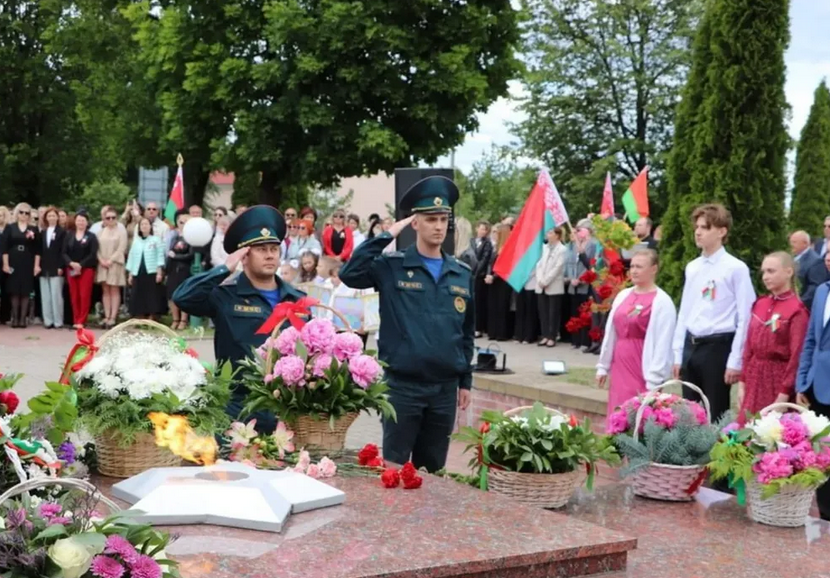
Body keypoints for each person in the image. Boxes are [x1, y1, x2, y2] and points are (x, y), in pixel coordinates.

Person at [340, 176, 474, 473]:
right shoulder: (393, 266)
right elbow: (350, 273)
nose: (438, 226)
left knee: (433, 472)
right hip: (403, 387)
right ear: (415, 223)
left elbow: (465, 332)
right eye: (430, 219)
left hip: (444, 389)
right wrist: (386, 234)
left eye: (443, 219)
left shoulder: (461, 273)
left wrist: (465, 381)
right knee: (394, 469)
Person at [173, 205, 307, 434]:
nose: (269, 255)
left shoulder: (298, 299)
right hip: (236, 409)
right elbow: (182, 297)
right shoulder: (226, 295)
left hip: (285, 410)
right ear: (244, 255)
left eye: (274, 249)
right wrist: (224, 269)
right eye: (261, 249)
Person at [672, 203, 755, 423]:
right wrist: (678, 352)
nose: (698, 232)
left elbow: (745, 317)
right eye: (697, 227)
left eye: (706, 227)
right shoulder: (693, 267)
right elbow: (685, 312)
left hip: (717, 347)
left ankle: (714, 457)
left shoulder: (735, 268)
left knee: (715, 412)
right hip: (692, 346)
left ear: (722, 231)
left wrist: (735, 360)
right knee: (688, 414)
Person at [596, 250, 676, 413]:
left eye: (639, 267)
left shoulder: (662, 302)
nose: (634, 271)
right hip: (620, 364)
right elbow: (611, 332)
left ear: (653, 269)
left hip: (642, 365)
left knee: (638, 413)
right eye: (632, 266)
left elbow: (663, 343)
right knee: (618, 411)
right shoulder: (623, 295)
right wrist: (603, 366)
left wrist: (655, 380)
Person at [736, 252, 808, 422]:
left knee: (771, 433)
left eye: (771, 271)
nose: (765, 277)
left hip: (777, 380)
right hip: (754, 377)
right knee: (746, 430)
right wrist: (742, 381)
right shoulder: (760, 304)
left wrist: (784, 394)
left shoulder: (797, 310)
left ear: (788, 272)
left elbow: (796, 356)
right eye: (764, 272)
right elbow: (748, 347)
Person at [1, 203, 41, 328]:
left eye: (26, 213)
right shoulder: (10, 227)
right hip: (13, 259)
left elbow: (38, 250)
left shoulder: (33, 229)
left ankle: (23, 318)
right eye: (21, 212)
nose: (23, 215)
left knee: (25, 289)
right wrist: (6, 264)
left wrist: (36, 266)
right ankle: (15, 318)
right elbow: (5, 247)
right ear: (17, 213)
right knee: (13, 289)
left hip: (27, 260)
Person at [565, 219, 598, 350]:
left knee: (584, 312)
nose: (577, 232)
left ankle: (585, 341)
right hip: (573, 283)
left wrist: (581, 279)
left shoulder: (593, 244)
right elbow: (571, 262)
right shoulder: (575, 245)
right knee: (574, 312)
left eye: (580, 230)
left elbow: (590, 264)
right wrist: (571, 278)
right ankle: (576, 340)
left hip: (585, 283)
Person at [62, 212, 99, 329]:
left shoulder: (91, 237)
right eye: (78, 220)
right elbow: (63, 252)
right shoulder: (69, 235)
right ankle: (76, 319)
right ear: (75, 221)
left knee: (84, 295)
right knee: (74, 295)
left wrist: (80, 265)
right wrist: (71, 263)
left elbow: (92, 254)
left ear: (87, 222)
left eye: (83, 220)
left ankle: (82, 320)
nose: (81, 222)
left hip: (86, 269)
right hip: (71, 269)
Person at [126, 218, 166, 320]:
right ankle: (140, 315)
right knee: (138, 294)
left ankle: (153, 316)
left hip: (152, 271)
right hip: (138, 272)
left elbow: (160, 256)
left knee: (152, 295)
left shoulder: (156, 240)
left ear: (150, 226)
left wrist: (159, 272)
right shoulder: (136, 241)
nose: (144, 226)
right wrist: (130, 273)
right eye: (142, 224)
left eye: (146, 224)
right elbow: (132, 257)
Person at [96, 206, 128, 328]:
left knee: (114, 290)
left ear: (117, 218)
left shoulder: (121, 231)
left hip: (115, 264)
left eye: (113, 217)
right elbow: (97, 249)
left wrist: (111, 260)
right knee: (105, 290)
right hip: (103, 263)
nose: (110, 220)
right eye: (107, 218)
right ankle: (106, 315)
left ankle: (113, 317)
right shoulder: (100, 232)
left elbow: (122, 247)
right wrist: (101, 260)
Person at [536, 227, 567, 347]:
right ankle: (545, 335)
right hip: (541, 283)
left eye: (550, 233)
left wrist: (546, 280)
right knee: (543, 311)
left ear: (557, 236)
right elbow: (539, 264)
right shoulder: (545, 248)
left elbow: (557, 267)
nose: (548, 235)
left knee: (553, 312)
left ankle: (552, 336)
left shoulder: (562, 249)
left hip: (553, 284)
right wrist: (540, 279)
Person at [166, 210, 195, 330]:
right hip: (173, 269)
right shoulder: (175, 237)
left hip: (184, 269)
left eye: (185, 222)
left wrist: (176, 256)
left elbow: (191, 255)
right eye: (180, 222)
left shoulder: (192, 238)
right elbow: (169, 252)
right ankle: (175, 319)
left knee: (183, 294)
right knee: (171, 295)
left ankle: (183, 320)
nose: (182, 224)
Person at [485, 225, 514, 341]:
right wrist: (488, 275)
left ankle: (502, 333)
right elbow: (490, 263)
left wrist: (494, 276)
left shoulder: (508, 249)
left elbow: (506, 267)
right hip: (493, 280)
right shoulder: (495, 248)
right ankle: (493, 332)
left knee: (502, 306)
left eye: (497, 232)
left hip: (502, 281)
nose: (494, 235)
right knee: (493, 306)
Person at [39, 207, 66, 329]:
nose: (51, 218)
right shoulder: (43, 232)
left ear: (57, 217)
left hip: (56, 266)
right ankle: (48, 320)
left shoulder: (62, 232)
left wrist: (61, 266)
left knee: (56, 295)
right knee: (45, 295)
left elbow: (63, 251)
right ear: (46, 218)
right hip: (44, 266)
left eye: (53, 216)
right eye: (49, 216)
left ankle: (58, 321)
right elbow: (40, 250)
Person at [789, 230, 825, 311]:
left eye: (794, 242)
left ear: (805, 243)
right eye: (791, 242)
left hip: (804, 308)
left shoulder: (815, 261)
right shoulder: (794, 257)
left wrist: (799, 303)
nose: (791, 245)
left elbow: (814, 287)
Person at [472, 220, 493, 339]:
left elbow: (485, 259)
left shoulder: (487, 243)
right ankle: (472, 326)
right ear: (477, 229)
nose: (483, 231)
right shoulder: (472, 241)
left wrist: (476, 270)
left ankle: (478, 328)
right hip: (471, 274)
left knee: (479, 302)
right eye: (481, 228)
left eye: (485, 229)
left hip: (479, 275)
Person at [0, 206, 9, 324]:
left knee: (6, 289)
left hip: (6, 262)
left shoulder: (8, 229)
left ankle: (5, 316)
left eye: (1, 215)